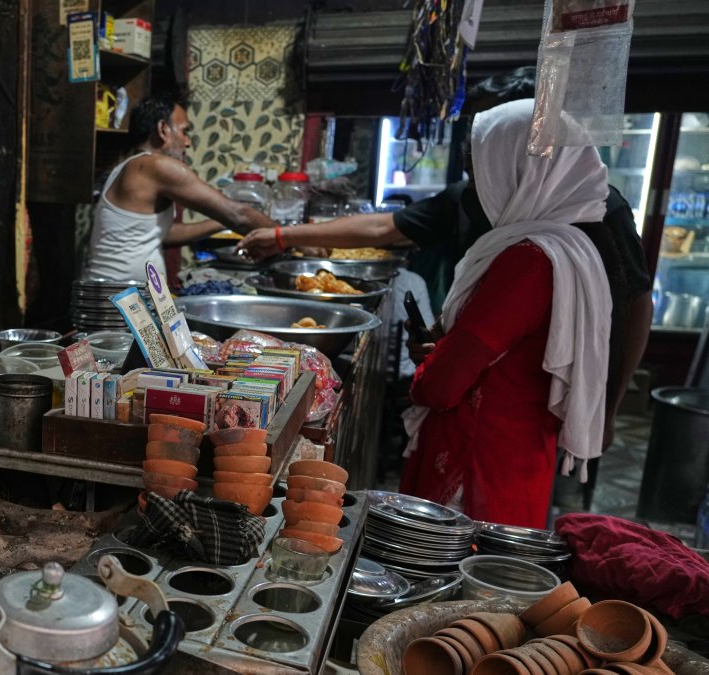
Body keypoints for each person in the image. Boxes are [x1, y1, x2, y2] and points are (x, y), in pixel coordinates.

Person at [239, 68, 652, 468]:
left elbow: (634, 306)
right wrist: (283, 236)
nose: (473, 157)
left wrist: (605, 407)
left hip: (510, 419)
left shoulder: (566, 231)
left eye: (486, 136)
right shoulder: (484, 200)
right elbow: (387, 227)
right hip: (489, 405)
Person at [399, 99, 612, 528]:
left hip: (477, 470)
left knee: (458, 589)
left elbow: (442, 386)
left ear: (521, 173)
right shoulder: (572, 247)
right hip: (515, 458)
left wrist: (429, 367)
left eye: (482, 177)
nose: (478, 193)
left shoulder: (528, 262)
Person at [84, 91, 280, 281]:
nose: (187, 143)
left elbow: (164, 234)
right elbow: (239, 214)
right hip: (117, 301)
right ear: (163, 129)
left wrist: (221, 223)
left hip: (128, 299)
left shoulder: (129, 166)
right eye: (185, 131)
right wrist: (291, 239)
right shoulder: (156, 166)